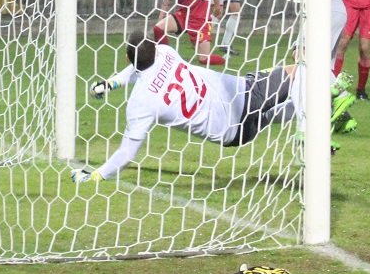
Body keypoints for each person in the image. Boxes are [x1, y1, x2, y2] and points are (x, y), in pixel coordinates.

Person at [71, 30, 306, 183]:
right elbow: (139, 64)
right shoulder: (166, 52)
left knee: (273, 113)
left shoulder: (140, 103)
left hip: (234, 135)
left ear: (127, 58)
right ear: (155, 48)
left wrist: (96, 175)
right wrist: (113, 82)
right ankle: (311, 123)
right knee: (300, 70)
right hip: (242, 95)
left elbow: (126, 154)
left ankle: (309, 114)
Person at [245, 0, 361, 134]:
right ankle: (341, 116)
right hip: (317, 10)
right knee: (312, 66)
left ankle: (339, 97)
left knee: (303, 58)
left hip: (329, 7)